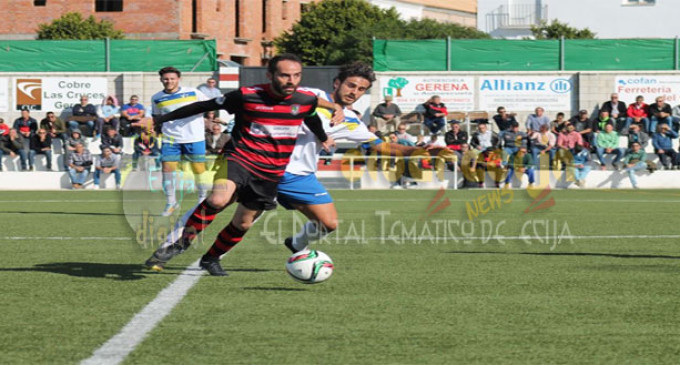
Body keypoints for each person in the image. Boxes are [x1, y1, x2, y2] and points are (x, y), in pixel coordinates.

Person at [144, 53, 332, 276]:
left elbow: (311, 117)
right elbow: (202, 106)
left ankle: (211, 258)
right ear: (270, 75)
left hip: (271, 170)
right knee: (217, 199)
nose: (291, 80)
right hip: (240, 157)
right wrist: (159, 120)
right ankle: (181, 243)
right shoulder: (246, 96)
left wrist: (323, 136)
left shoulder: (305, 100)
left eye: (296, 75)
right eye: (284, 75)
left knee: (243, 223)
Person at [151, 66, 210, 217]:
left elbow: (210, 106)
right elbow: (156, 118)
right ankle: (171, 202)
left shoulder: (193, 92)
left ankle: (202, 200)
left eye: (172, 78)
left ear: (178, 79)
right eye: (165, 79)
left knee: (198, 170)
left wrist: (209, 120)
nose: (169, 81)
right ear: (161, 80)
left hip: (194, 137)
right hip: (170, 139)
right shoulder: (156, 98)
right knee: (167, 170)